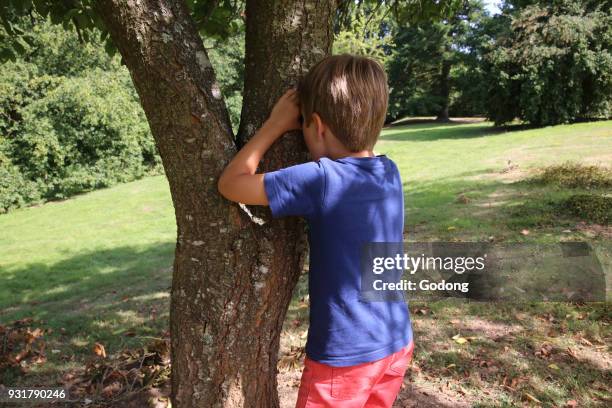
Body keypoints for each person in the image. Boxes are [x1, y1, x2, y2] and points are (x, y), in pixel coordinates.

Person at [218, 54, 414, 408]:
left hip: (347, 357)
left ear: (318, 126)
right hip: (395, 340)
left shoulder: (322, 179)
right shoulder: (390, 171)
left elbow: (231, 184)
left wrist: (275, 125)